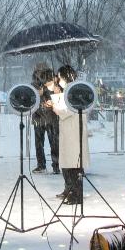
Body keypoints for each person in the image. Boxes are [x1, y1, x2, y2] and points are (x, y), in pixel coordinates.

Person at [52, 65, 90, 205]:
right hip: (70, 132)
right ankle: (70, 190)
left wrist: (55, 104)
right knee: (68, 163)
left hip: (74, 132)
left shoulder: (73, 90)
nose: (58, 79)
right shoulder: (69, 89)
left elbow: (64, 111)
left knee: (74, 165)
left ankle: (75, 195)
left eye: (59, 76)